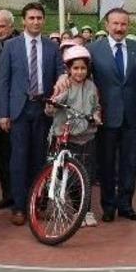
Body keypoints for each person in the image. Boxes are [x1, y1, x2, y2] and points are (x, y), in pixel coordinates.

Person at [88, 8, 136, 222]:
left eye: (123, 24)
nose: (119, 28)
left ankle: (126, 205)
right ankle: (108, 206)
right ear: (107, 25)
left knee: (129, 162)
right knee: (107, 163)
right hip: (105, 115)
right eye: (115, 24)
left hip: (131, 116)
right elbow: (81, 76)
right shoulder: (93, 49)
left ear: (128, 25)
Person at [0, 3, 67, 225]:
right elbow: (4, 81)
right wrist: (3, 113)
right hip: (19, 109)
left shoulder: (51, 47)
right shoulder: (10, 46)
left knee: (39, 158)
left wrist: (61, 80)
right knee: (18, 159)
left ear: (44, 20)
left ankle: (37, 204)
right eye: (31, 18)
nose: (36, 21)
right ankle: (19, 207)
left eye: (39, 17)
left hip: (43, 109)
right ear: (23, 21)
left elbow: (60, 73)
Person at [46, 45, 102, 227]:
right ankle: (73, 207)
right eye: (75, 68)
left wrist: (96, 116)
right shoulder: (64, 85)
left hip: (86, 137)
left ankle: (86, 210)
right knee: (67, 176)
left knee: (86, 176)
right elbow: (50, 108)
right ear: (68, 69)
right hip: (65, 137)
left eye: (83, 68)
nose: (79, 72)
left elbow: (96, 107)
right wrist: (52, 104)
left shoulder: (91, 86)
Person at [0, 9, 20, 210]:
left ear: (11, 25)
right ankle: (8, 194)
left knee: (18, 153)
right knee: (2, 153)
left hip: (17, 108)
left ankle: (22, 195)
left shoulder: (20, 44)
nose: (0, 30)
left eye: (3, 26)